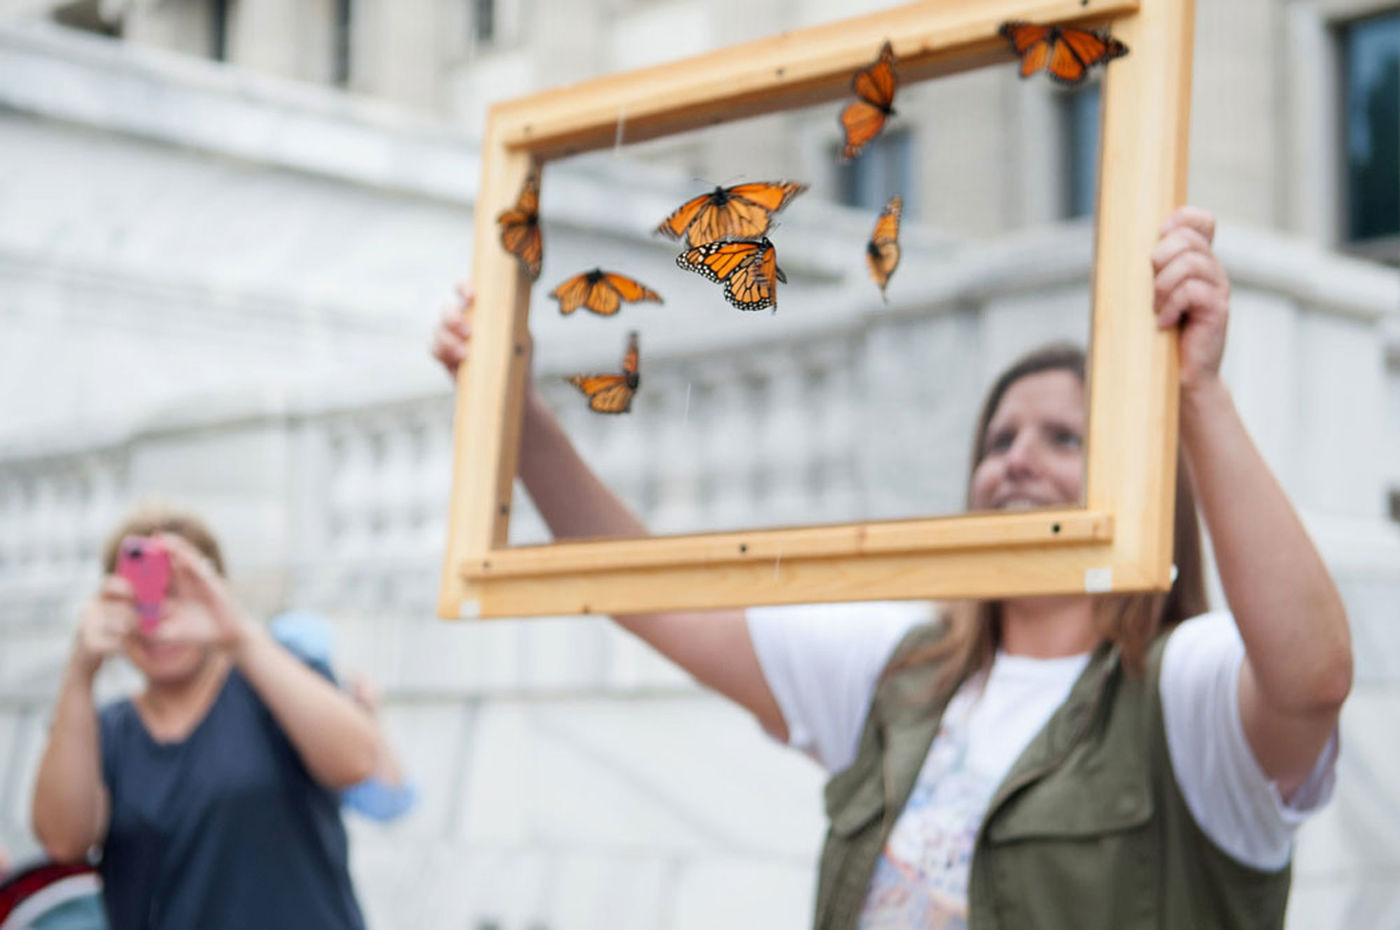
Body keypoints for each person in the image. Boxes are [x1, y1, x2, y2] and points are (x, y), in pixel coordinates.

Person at [431, 206, 1350, 929]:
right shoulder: (900, 672)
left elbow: (1310, 679)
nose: (1016, 458)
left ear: (1148, 490)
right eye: (998, 439)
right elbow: (651, 598)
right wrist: (520, 423)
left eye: (1064, 437)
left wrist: (1197, 393)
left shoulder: (1181, 692)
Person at [30, 507, 378, 930]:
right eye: (142, 595)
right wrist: (80, 671)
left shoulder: (277, 685)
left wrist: (237, 633)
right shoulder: (104, 729)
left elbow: (357, 762)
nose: (158, 619)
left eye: (180, 591)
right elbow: (63, 840)